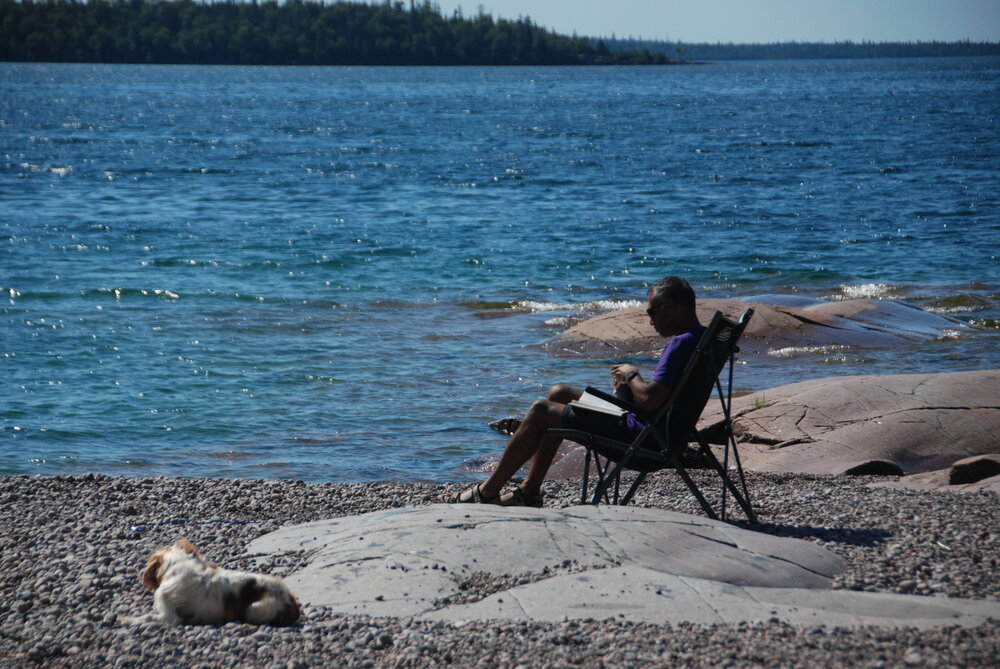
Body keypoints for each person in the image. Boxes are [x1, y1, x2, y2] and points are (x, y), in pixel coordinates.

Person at [446, 276, 706, 507]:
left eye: (652, 311)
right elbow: (659, 399)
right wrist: (626, 389)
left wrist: (631, 373)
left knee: (540, 411)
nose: (650, 320)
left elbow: (650, 399)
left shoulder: (681, 344)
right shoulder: (701, 339)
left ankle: (488, 491)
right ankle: (529, 490)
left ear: (670, 307)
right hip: (651, 429)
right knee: (559, 393)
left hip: (642, 439)